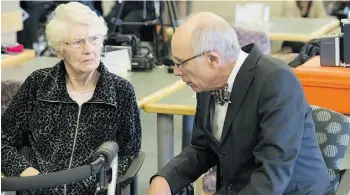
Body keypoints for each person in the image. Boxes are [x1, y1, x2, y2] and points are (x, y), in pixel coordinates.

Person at [148, 12, 331, 195]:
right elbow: (202, 148)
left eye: (181, 63)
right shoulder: (206, 84)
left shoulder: (276, 81)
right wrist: (165, 179)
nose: (176, 72)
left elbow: (272, 176)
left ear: (212, 59)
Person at [1, 2, 141, 195]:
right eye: (78, 42)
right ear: (59, 49)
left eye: (94, 39)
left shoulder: (120, 91)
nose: (89, 49)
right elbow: (3, 140)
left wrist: (101, 182)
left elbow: (129, 153)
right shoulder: (38, 84)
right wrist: (26, 173)